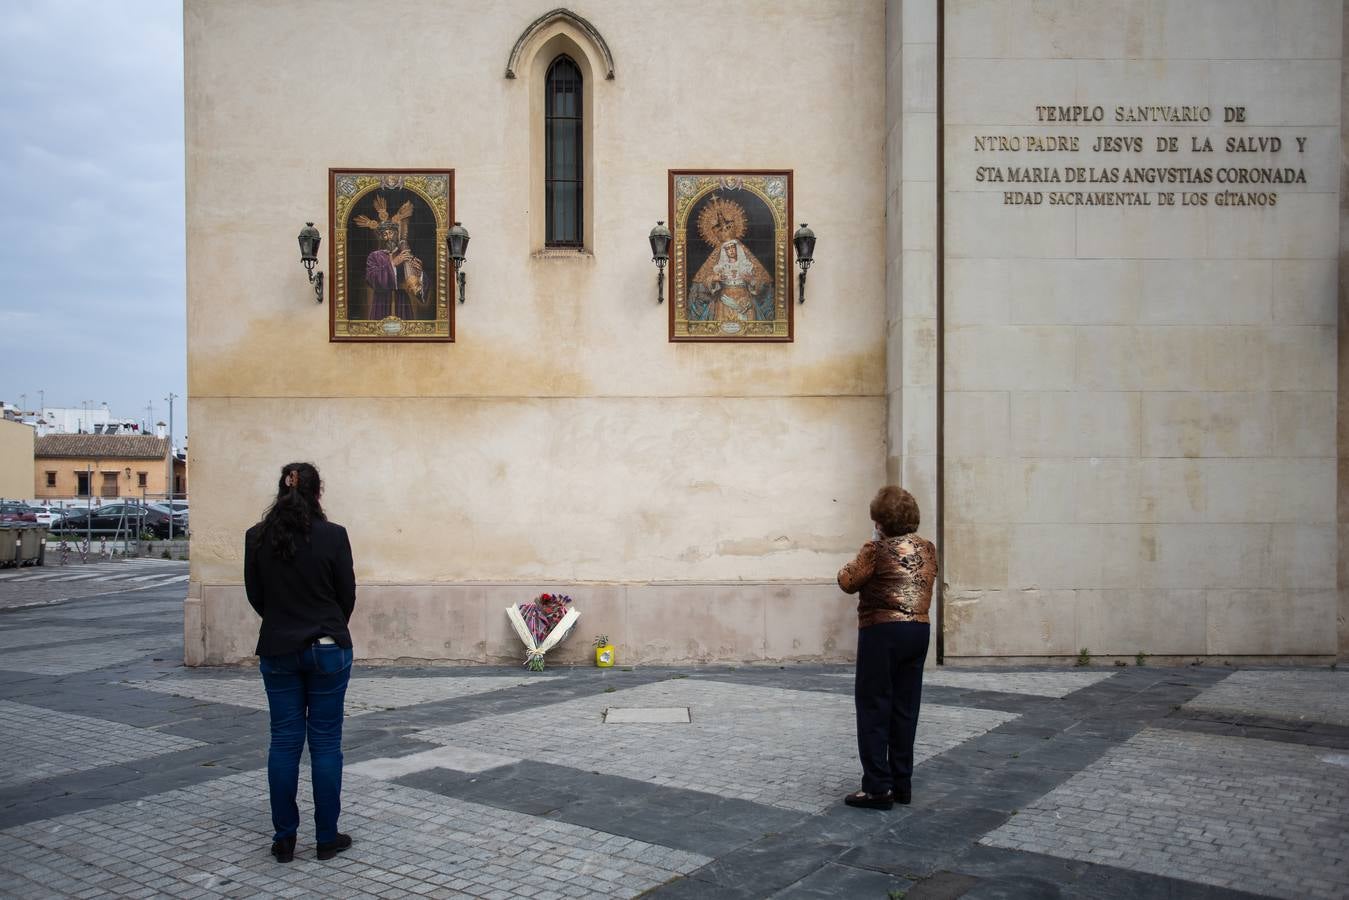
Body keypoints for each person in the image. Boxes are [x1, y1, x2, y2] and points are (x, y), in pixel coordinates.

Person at [245, 462, 357, 862]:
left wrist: (283, 622)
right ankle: (326, 837)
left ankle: (285, 837)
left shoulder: (257, 537)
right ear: (317, 493)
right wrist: (327, 623)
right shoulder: (333, 536)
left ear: (281, 490)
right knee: (326, 744)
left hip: (278, 648)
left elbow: (255, 595)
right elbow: (347, 594)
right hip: (327, 646)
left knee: (284, 743)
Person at [836, 485, 938, 810]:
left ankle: (878, 787)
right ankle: (901, 783)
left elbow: (846, 581)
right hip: (918, 630)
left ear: (880, 521)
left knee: (873, 706)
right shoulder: (928, 548)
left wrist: (869, 548)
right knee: (905, 708)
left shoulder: (875, 550)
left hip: (882, 632)